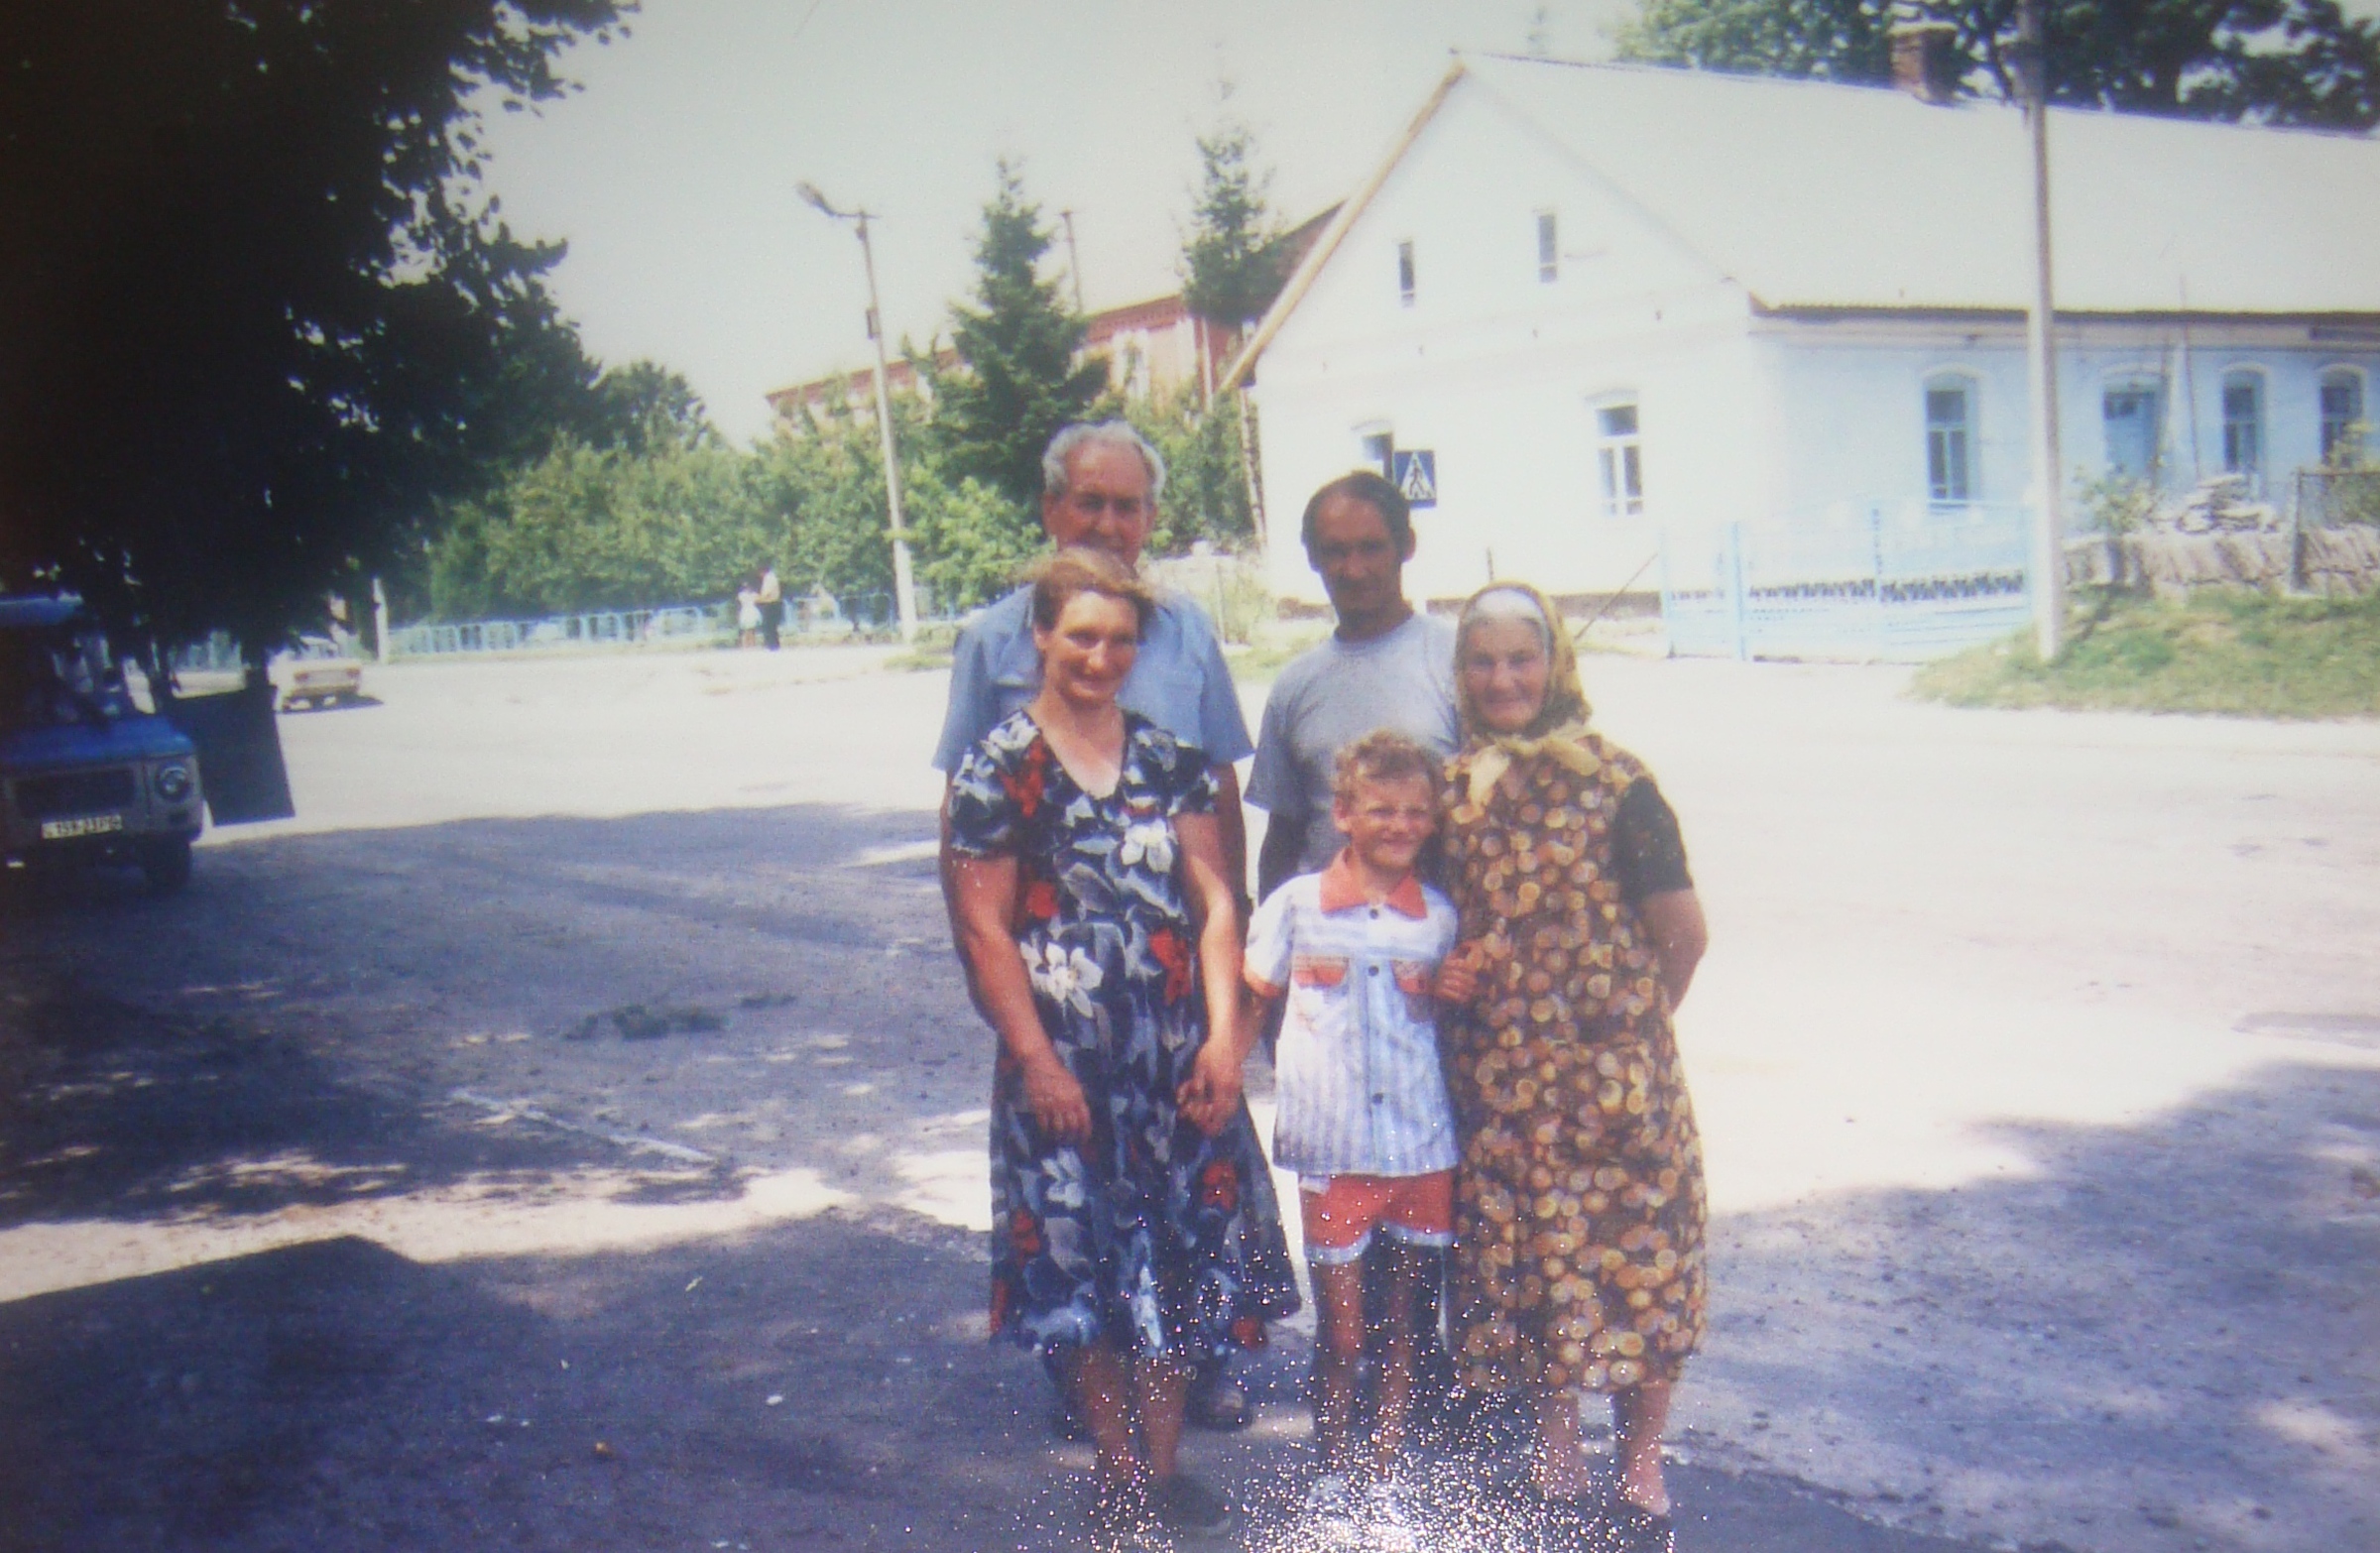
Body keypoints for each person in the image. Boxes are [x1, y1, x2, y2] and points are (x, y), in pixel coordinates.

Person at [943, 548, 1299, 1540]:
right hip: (1065, 1066)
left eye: (1120, 640)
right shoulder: (999, 768)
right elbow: (984, 931)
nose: (1101, 657)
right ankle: (1117, 1468)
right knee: (1083, 1263)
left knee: (1178, 1258)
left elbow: (1217, 905)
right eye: (1082, 637)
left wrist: (1225, 1044)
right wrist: (1036, 1060)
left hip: (1174, 1060)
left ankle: (1164, 1467)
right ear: (1041, 638)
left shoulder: (1170, 759)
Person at [1432, 583, 1711, 1553]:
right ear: (1461, 674)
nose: (1503, 679)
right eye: (1483, 662)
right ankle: (1557, 1455)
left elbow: (1684, 935)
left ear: (1554, 663)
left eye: (1522, 658)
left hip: (1615, 1082)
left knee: (1641, 1265)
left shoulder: (1620, 784)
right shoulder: (1454, 792)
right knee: (1534, 1262)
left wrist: (1627, 1035)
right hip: (1505, 1086)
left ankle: (1640, 1465)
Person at [1245, 469, 1462, 1434]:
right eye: (1335, 552)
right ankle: (1358, 1406)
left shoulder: (1451, 660)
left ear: (1406, 547)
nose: (1356, 568)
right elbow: (1280, 842)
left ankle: (1439, 1394)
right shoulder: (1298, 685)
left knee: (1439, 1193)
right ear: (1313, 561)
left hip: (1437, 968)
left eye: (1372, 546)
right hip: (1339, 982)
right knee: (1353, 1196)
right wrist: (1272, 1005)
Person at [1244, 731, 1463, 1550]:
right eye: (1381, 809)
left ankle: (1385, 1474)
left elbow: (1450, 1017)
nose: (1399, 825)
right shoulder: (1296, 906)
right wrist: (1219, 1069)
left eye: (1414, 812)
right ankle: (1332, 1473)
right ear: (1343, 813)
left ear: (1431, 820)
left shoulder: (1438, 920)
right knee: (1341, 1335)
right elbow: (1253, 998)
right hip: (1333, 1155)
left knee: (1404, 1328)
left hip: (1422, 1152)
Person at [757, 563, 783, 651]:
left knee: (768, 626)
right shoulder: (773, 577)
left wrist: (758, 599)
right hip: (774, 604)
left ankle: (771, 645)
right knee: (772, 626)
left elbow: (766, 593)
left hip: (770, 604)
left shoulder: (768, 578)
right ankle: (774, 644)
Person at [735, 577, 761, 649]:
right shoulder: (741, 595)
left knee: (752, 629)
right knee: (746, 630)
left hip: (752, 611)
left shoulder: (754, 594)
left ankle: (752, 644)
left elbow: (759, 599)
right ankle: (745, 645)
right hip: (746, 611)